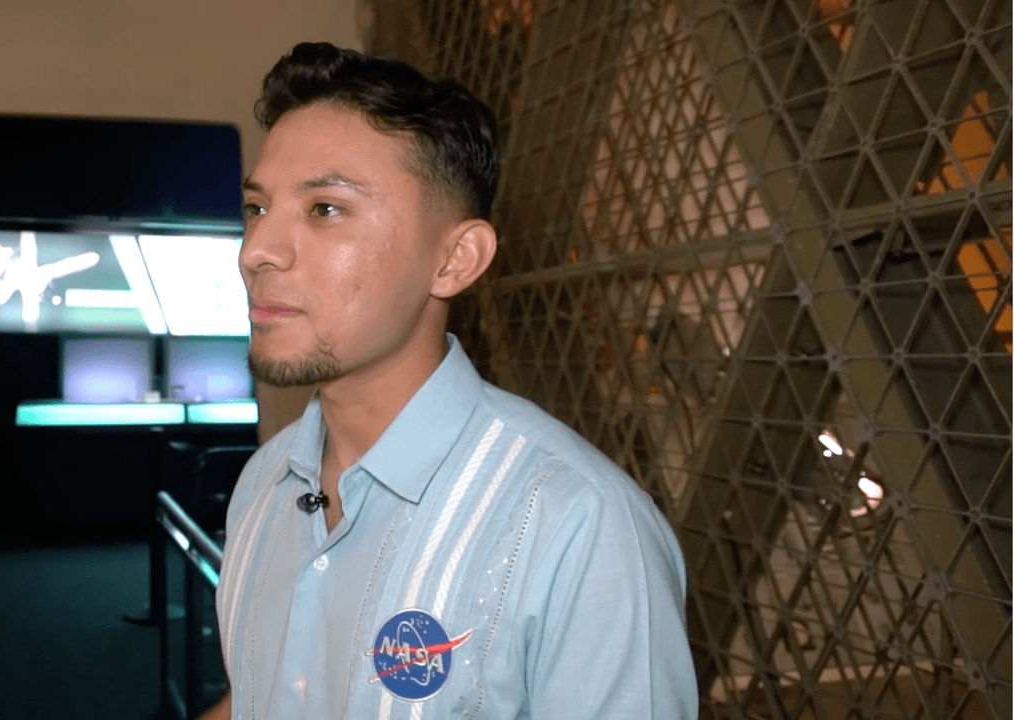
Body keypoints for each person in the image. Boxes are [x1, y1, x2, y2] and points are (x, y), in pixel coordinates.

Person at [204, 42, 697, 719]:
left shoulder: (577, 526)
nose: (257, 252)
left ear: (455, 259)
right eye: (258, 208)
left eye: (325, 209)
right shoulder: (263, 483)